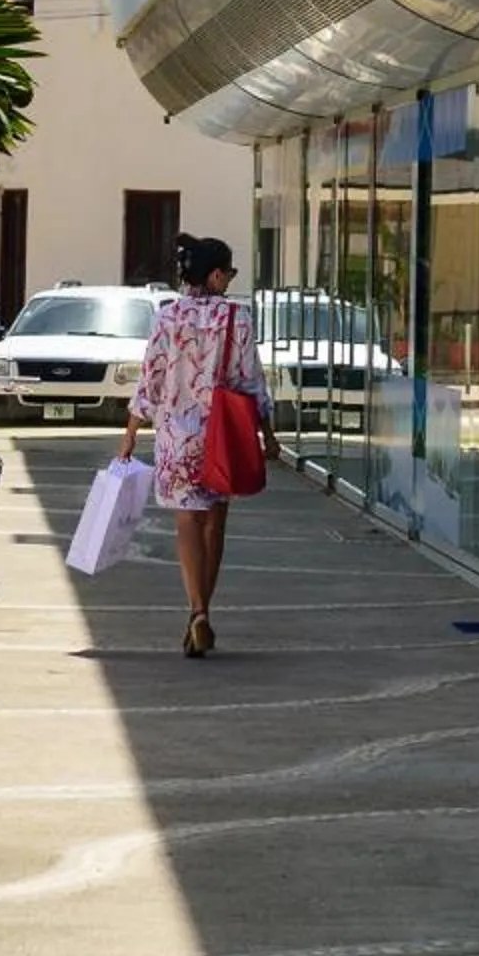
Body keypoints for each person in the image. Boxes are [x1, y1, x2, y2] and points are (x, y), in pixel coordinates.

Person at [122, 233, 278, 657]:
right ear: (213, 275)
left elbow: (150, 380)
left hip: (176, 435)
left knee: (186, 521)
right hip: (221, 434)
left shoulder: (167, 318)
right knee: (215, 521)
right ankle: (203, 609)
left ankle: (196, 611)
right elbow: (251, 382)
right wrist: (269, 433)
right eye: (228, 273)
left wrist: (132, 430)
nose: (229, 280)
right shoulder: (238, 319)